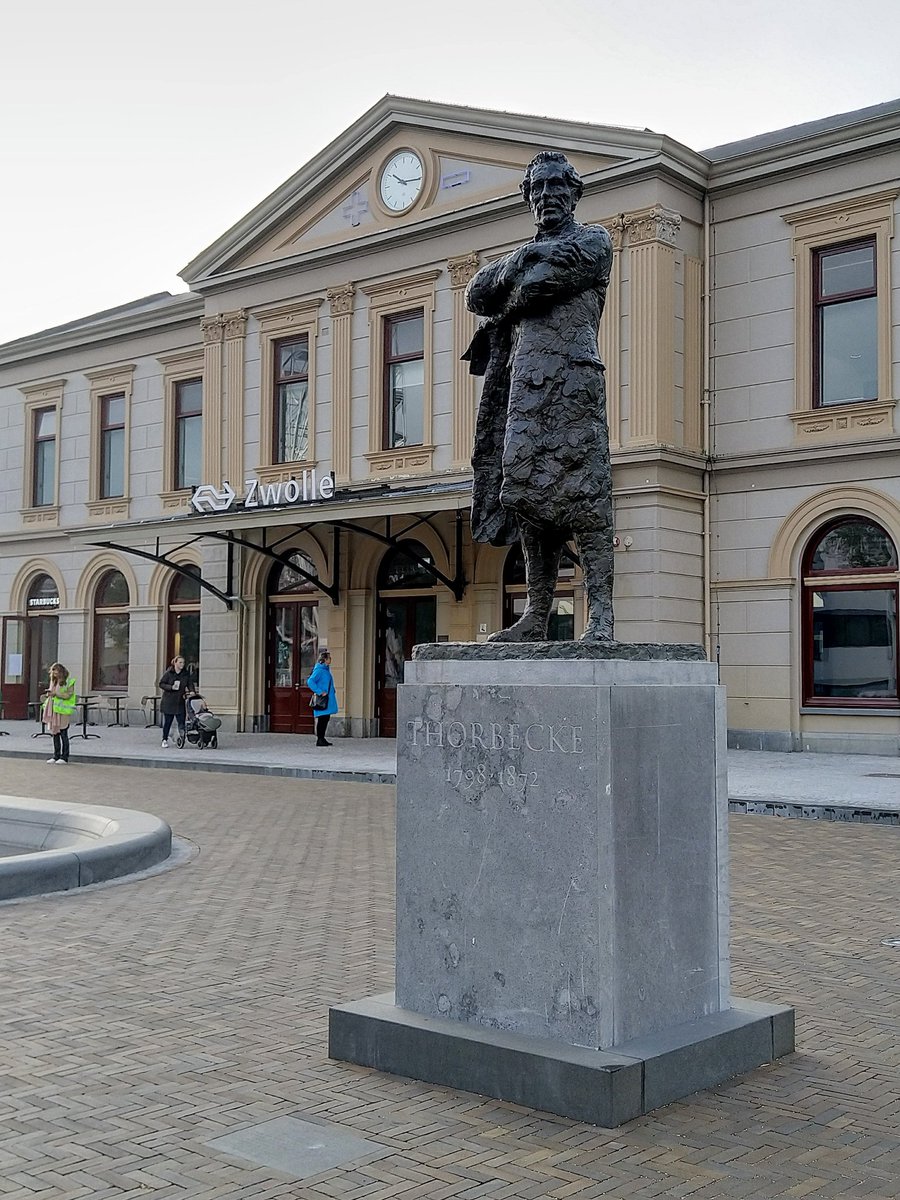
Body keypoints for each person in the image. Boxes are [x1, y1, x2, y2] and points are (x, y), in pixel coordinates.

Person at [464, 150, 615, 642]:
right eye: (539, 189)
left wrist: (518, 277)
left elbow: (543, 282)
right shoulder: (530, 250)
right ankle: (537, 612)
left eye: (557, 186)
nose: (548, 196)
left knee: (586, 498)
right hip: (524, 391)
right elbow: (476, 293)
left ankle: (602, 618)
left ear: (575, 192)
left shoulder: (595, 240)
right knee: (528, 496)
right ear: (529, 198)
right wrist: (524, 261)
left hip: (574, 383)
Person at [158, 655, 195, 747]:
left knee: (181, 722)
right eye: (180, 662)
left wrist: (192, 691)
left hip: (180, 701)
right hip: (169, 701)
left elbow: (190, 684)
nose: (182, 664)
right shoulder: (169, 673)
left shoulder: (185, 674)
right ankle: (164, 739)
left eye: (183, 662)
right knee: (168, 722)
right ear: (175, 663)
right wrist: (171, 687)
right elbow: (161, 684)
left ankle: (181, 738)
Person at [43, 662, 76, 764]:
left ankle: (64, 756)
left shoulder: (68, 682)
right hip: (54, 711)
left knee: (63, 733)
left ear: (61, 671)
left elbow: (68, 695)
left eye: (55, 670)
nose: (54, 673)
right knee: (55, 733)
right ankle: (56, 755)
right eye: (52, 671)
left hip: (63, 711)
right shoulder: (53, 682)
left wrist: (56, 694)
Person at [306, 649, 338, 746]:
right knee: (322, 719)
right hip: (322, 699)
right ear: (324, 659)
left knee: (325, 719)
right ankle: (320, 739)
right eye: (329, 658)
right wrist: (320, 692)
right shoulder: (319, 670)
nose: (330, 660)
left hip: (327, 699)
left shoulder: (325, 670)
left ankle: (322, 738)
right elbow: (310, 681)